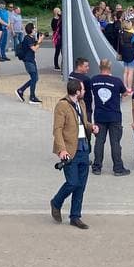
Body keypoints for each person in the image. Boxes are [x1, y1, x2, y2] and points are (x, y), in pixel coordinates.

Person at [51, 77, 97, 230]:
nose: (84, 91)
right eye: (82, 89)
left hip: (83, 147)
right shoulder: (62, 106)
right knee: (72, 182)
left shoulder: (81, 103)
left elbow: (82, 123)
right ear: (77, 92)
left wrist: (91, 127)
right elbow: (57, 129)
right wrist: (61, 149)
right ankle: (56, 202)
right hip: (70, 150)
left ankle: (75, 216)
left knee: (81, 185)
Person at [89, 59, 130, 176]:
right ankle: (118, 168)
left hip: (99, 115)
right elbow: (125, 92)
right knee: (115, 142)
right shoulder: (116, 81)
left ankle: (97, 167)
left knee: (99, 142)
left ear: (99, 67)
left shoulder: (94, 80)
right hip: (114, 115)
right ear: (110, 67)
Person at [15, 23, 42, 102]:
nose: (35, 29)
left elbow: (35, 45)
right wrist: (39, 42)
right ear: (31, 29)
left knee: (35, 78)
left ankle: (21, 90)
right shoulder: (27, 38)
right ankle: (32, 97)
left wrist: (38, 40)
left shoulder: (31, 38)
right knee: (34, 78)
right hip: (28, 60)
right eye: (34, 28)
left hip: (31, 60)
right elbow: (34, 49)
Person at [117, 20, 134, 92]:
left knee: (125, 71)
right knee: (131, 72)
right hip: (131, 54)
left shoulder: (120, 33)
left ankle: (125, 86)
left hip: (124, 53)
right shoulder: (132, 35)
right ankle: (129, 88)